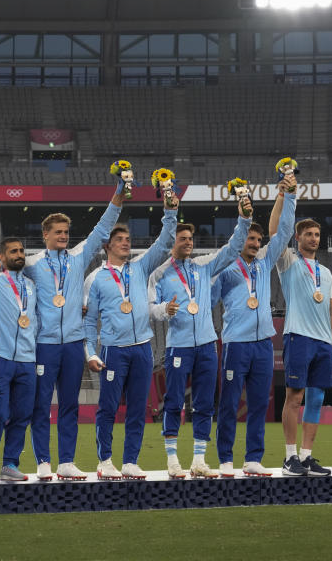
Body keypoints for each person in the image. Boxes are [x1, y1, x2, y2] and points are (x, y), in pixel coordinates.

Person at [25, 186, 126, 480]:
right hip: (44, 344)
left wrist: (119, 193)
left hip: (71, 344)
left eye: (66, 232)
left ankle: (66, 461)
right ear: (45, 234)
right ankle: (43, 460)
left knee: (70, 404)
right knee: (41, 405)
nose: (63, 236)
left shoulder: (79, 257)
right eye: (57, 232)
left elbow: (104, 226)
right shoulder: (32, 263)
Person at [149, 200, 252, 479]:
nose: (188, 242)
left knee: (205, 402)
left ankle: (198, 460)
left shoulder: (204, 267)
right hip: (179, 346)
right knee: (173, 402)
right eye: (182, 239)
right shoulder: (158, 274)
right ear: (173, 242)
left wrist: (244, 220)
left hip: (207, 345)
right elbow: (150, 307)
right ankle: (172, 460)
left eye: (191, 238)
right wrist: (163, 310)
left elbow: (232, 249)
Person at [83, 194, 178, 480]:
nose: (127, 242)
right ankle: (105, 460)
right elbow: (88, 321)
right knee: (109, 408)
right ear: (107, 246)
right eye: (120, 239)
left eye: (128, 238)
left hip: (142, 350)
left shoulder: (140, 268)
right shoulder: (96, 279)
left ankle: (131, 461)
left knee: (138, 409)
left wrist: (170, 212)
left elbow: (164, 244)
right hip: (113, 350)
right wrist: (91, 352)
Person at [212, 174, 296, 477]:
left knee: (260, 404)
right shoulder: (225, 268)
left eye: (259, 241)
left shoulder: (263, 262)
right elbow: (208, 303)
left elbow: (285, 231)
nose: (257, 243)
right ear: (241, 238)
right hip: (235, 344)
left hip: (263, 345)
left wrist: (290, 196)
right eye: (252, 239)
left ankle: (252, 459)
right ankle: (224, 459)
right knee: (230, 405)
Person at [275, 216, 332, 477]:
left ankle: (306, 458)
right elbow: (274, 232)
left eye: (317, 234)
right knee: (294, 397)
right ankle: (289, 457)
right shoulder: (288, 261)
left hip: (322, 343)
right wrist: (284, 197)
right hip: (298, 336)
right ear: (298, 237)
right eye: (308, 234)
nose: (314, 238)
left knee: (316, 398)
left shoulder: (326, 273)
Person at [0, 237, 38, 482]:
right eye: (13, 251)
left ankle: (10, 464)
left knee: (22, 414)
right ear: (1, 256)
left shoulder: (31, 285)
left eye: (22, 250)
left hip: (27, 357)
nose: (19, 254)